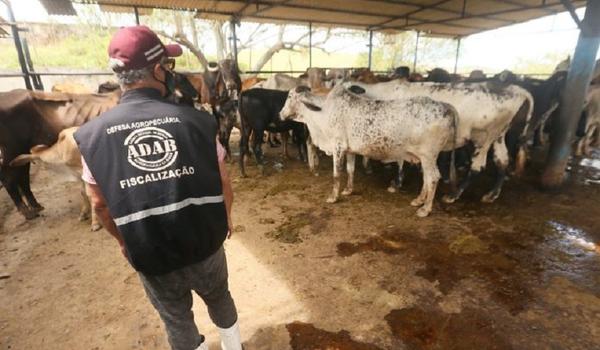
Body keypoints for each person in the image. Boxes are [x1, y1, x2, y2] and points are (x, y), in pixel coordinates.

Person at [74, 25, 241, 350]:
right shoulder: (197, 123)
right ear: (156, 70)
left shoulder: (92, 137)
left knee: (176, 318)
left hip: (150, 251)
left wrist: (125, 242)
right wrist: (227, 218)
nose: (169, 71)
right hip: (205, 244)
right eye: (168, 65)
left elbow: (99, 205)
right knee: (220, 297)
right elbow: (223, 182)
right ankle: (234, 347)